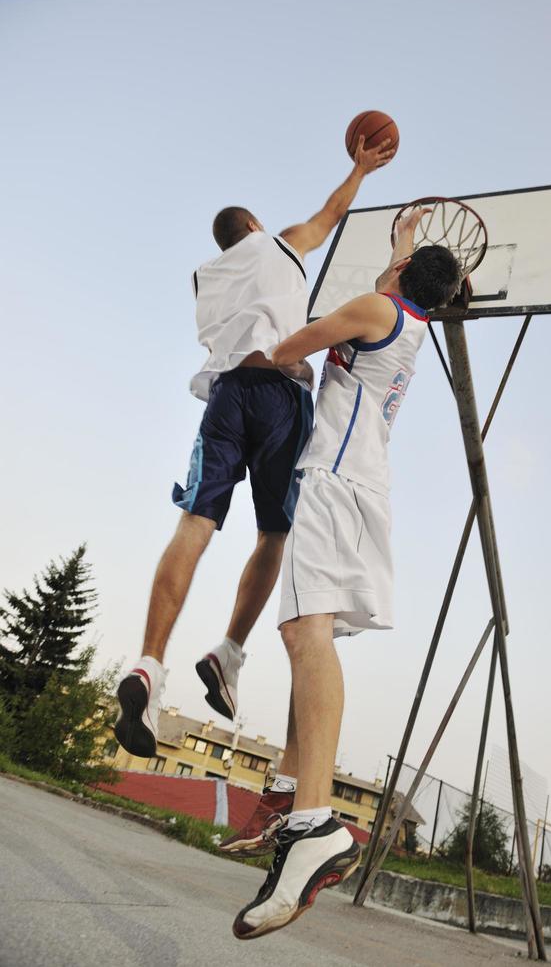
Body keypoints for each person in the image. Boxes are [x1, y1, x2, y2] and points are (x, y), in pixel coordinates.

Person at [114, 136, 394, 758]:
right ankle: (228, 652)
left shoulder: (205, 278)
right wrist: (360, 169)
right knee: (274, 533)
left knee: (193, 524)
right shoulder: (276, 244)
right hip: (278, 391)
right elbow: (331, 215)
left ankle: (148, 665)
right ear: (257, 227)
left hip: (225, 395)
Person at [231, 208, 462, 939]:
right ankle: (292, 797)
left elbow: (293, 345)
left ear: (399, 278)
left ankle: (314, 820)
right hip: (362, 486)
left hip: (332, 482)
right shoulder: (408, 322)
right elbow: (386, 286)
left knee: (304, 632)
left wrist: (267, 352)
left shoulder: (372, 310)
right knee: (312, 633)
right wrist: (405, 236)